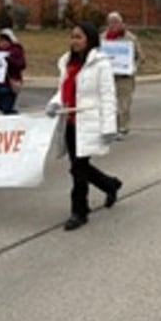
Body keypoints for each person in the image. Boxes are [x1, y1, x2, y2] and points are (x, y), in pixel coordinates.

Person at [46, 22, 122, 231]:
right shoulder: (66, 62)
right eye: (72, 37)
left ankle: (79, 211)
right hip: (70, 124)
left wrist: (109, 127)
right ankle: (110, 184)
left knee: (78, 170)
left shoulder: (101, 64)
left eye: (79, 37)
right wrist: (54, 103)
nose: (74, 41)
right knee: (77, 167)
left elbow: (108, 97)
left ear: (89, 39)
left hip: (89, 123)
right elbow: (64, 91)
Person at [102, 12, 145, 139]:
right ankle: (111, 127)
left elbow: (140, 57)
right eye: (110, 22)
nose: (113, 25)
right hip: (108, 77)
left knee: (123, 103)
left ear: (121, 23)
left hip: (125, 77)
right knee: (109, 103)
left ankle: (122, 127)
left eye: (116, 22)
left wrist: (133, 68)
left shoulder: (130, 39)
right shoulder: (103, 38)